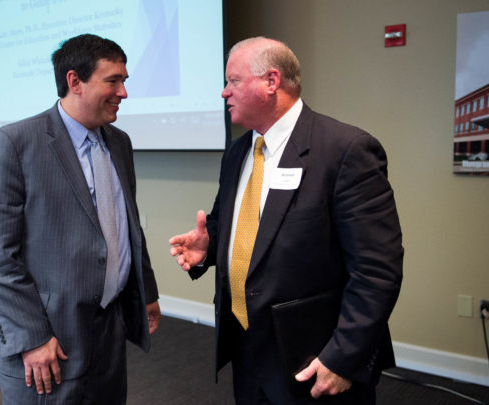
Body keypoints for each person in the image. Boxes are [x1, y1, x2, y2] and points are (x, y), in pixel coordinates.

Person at [169, 37, 403, 404]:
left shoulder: (345, 151)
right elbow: (243, 227)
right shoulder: (237, 153)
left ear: (271, 82)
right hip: (246, 350)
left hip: (314, 359)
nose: (223, 93)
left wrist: (343, 358)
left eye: (233, 81)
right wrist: (211, 244)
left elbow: (377, 271)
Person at [0, 34, 161, 404]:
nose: (123, 92)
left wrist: (146, 291)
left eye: (125, 81)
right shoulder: (14, 143)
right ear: (75, 81)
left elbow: (127, 228)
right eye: (113, 81)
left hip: (109, 333)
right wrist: (33, 336)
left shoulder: (119, 142)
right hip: (47, 341)